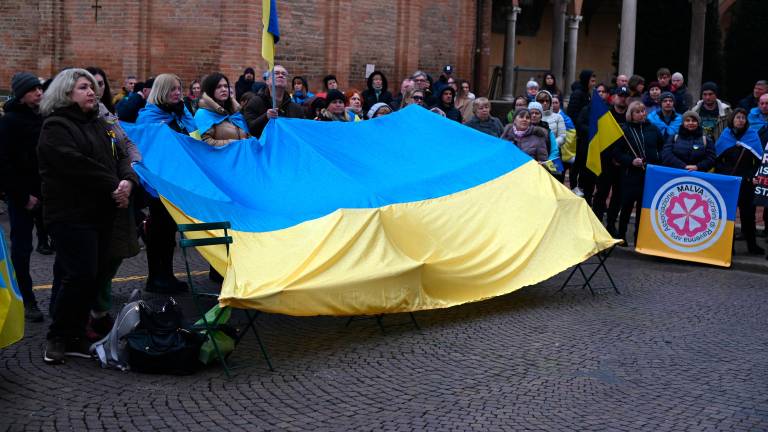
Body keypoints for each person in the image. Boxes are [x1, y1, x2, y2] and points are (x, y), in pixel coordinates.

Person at [37, 68, 137, 364]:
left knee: (91, 276)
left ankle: (76, 335)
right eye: (84, 87)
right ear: (66, 93)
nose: (92, 91)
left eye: (92, 87)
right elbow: (74, 163)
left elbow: (120, 154)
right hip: (69, 214)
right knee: (76, 275)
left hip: (100, 213)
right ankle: (57, 337)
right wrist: (113, 184)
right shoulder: (55, 126)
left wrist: (127, 181)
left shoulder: (99, 123)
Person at [136, 73, 197, 294]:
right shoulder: (149, 116)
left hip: (177, 182)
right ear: (161, 90)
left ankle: (167, 275)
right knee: (159, 231)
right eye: (173, 89)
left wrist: (184, 117)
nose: (178, 93)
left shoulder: (180, 113)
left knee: (169, 231)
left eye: (179, 88)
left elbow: (195, 138)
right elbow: (149, 147)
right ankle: (155, 277)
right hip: (158, 183)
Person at [0, 72, 45, 322]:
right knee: (22, 248)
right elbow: (4, 164)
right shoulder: (9, 122)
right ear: (20, 94)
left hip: (47, 193)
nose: (38, 92)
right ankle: (27, 299)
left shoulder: (45, 116)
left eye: (39, 88)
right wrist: (22, 196)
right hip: (23, 197)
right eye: (32, 89)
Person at [612, 101, 663, 245]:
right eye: (638, 112)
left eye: (643, 111)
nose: (642, 114)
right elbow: (616, 153)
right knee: (627, 206)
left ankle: (639, 238)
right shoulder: (625, 130)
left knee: (643, 208)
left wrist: (657, 161)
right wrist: (630, 161)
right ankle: (622, 236)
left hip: (649, 174)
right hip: (630, 175)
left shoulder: (653, 129)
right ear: (631, 115)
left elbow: (662, 147)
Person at [715, 108, 764, 255]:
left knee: (748, 215)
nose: (740, 120)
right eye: (738, 117)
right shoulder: (725, 135)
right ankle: (728, 247)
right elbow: (717, 160)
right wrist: (725, 174)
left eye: (743, 117)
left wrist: (750, 176)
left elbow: (759, 161)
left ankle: (752, 246)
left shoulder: (752, 136)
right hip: (729, 182)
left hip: (746, 183)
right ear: (732, 119)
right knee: (728, 215)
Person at [242, 64, 304, 137]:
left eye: (284, 74)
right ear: (267, 81)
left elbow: (302, 131)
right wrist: (266, 117)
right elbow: (249, 129)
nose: (281, 75)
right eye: (276, 73)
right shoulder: (255, 102)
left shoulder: (296, 108)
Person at [195, 72, 250, 146]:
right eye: (218, 87)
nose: (224, 89)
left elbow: (246, 135)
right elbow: (203, 143)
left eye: (226, 86)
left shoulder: (234, 113)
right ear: (210, 90)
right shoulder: (203, 113)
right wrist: (231, 143)